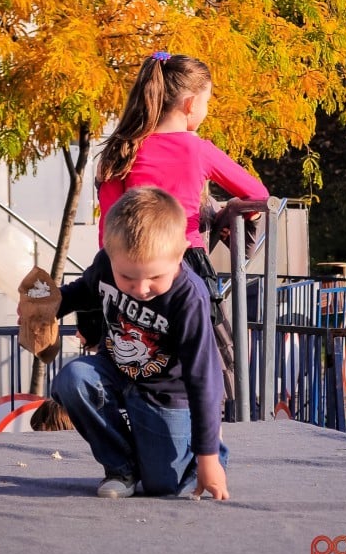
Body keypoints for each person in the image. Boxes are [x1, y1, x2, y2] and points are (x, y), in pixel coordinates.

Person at [96, 52, 270, 398]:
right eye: (207, 100)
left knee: (142, 357)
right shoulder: (197, 150)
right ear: (190, 104)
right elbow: (257, 193)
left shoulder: (122, 150)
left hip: (131, 272)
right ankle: (215, 430)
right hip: (185, 265)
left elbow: (107, 233)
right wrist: (236, 212)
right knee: (210, 358)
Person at [51, 186, 229, 500]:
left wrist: (208, 457)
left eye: (154, 278)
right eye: (128, 278)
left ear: (180, 254)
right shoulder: (108, 262)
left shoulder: (189, 297)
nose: (141, 289)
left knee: (162, 485)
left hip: (166, 391)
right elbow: (84, 289)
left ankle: (205, 452)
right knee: (73, 379)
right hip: (115, 371)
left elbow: (205, 380)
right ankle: (121, 468)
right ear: (109, 252)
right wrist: (50, 306)